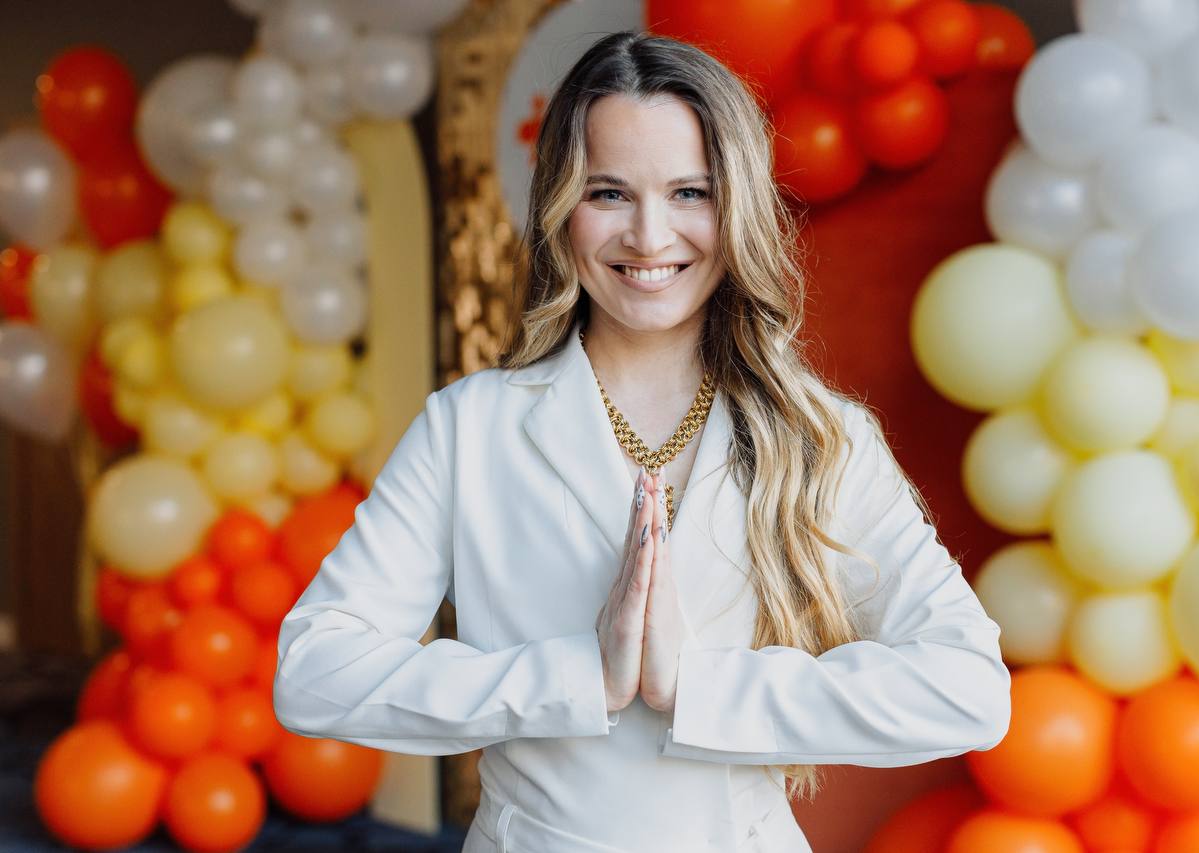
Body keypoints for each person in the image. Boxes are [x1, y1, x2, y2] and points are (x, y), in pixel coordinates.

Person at [273, 29, 1012, 853]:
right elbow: (315, 672)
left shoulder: (821, 435)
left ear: (737, 207)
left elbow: (969, 688)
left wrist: (695, 686)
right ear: (561, 205)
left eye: (690, 192)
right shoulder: (467, 428)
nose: (650, 237)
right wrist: (576, 675)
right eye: (609, 193)